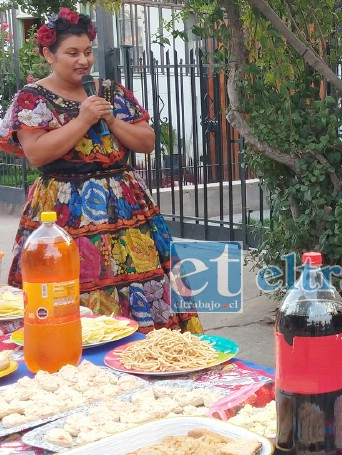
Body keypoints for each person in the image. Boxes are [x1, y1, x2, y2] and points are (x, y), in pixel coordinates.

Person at [0, 8, 201, 334]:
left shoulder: (108, 91)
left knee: (142, 281)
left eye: (87, 52)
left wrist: (109, 119)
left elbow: (147, 141)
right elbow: (36, 154)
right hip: (62, 212)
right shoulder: (31, 98)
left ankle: (147, 350)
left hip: (125, 208)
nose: (83, 60)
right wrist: (83, 120)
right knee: (70, 286)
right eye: (72, 53)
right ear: (48, 54)